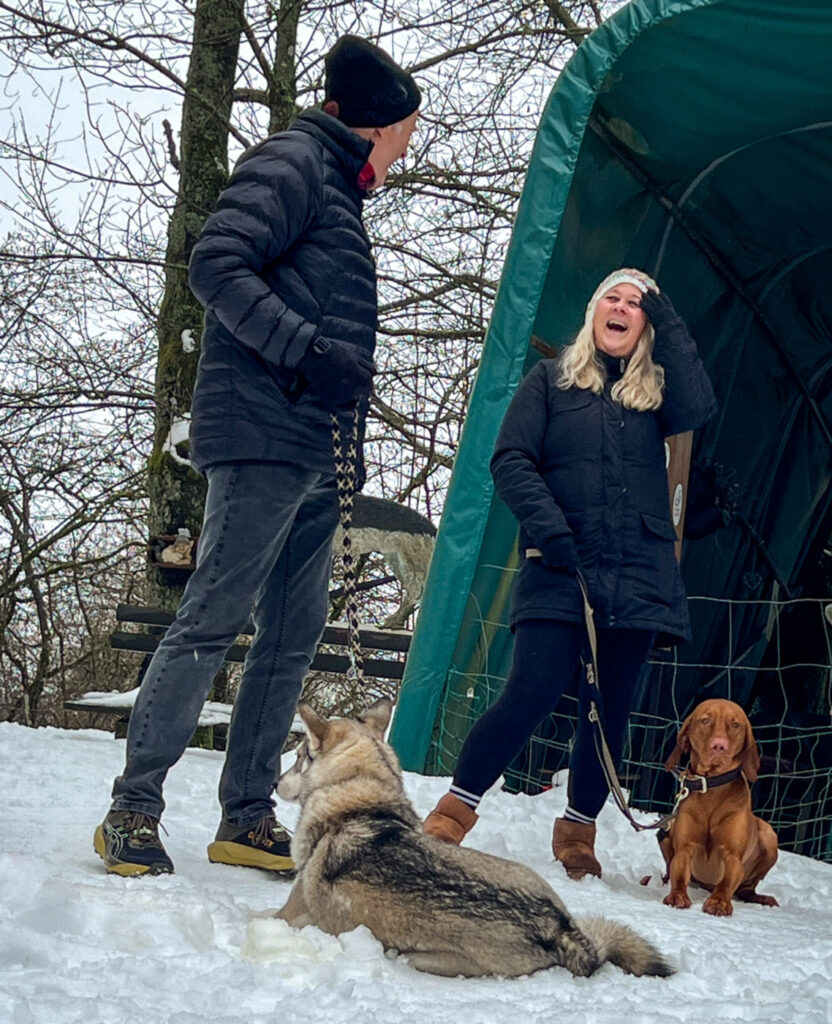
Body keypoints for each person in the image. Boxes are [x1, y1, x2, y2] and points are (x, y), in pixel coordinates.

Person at [94, 36, 421, 876]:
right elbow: (214, 264)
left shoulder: (337, 194)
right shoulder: (296, 162)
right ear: (377, 125)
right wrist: (311, 350)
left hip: (313, 444)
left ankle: (246, 814)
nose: (408, 147)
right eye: (406, 131)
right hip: (261, 434)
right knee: (211, 619)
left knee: (292, 633)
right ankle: (132, 808)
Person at [423, 268, 717, 879]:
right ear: (592, 312)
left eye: (636, 304)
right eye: (612, 296)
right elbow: (510, 458)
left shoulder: (657, 395)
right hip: (559, 565)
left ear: (646, 326)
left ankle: (579, 830)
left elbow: (701, 402)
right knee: (531, 690)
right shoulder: (550, 381)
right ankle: (454, 811)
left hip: (638, 574)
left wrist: (666, 309)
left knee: (609, 712)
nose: (622, 307)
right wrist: (548, 526)